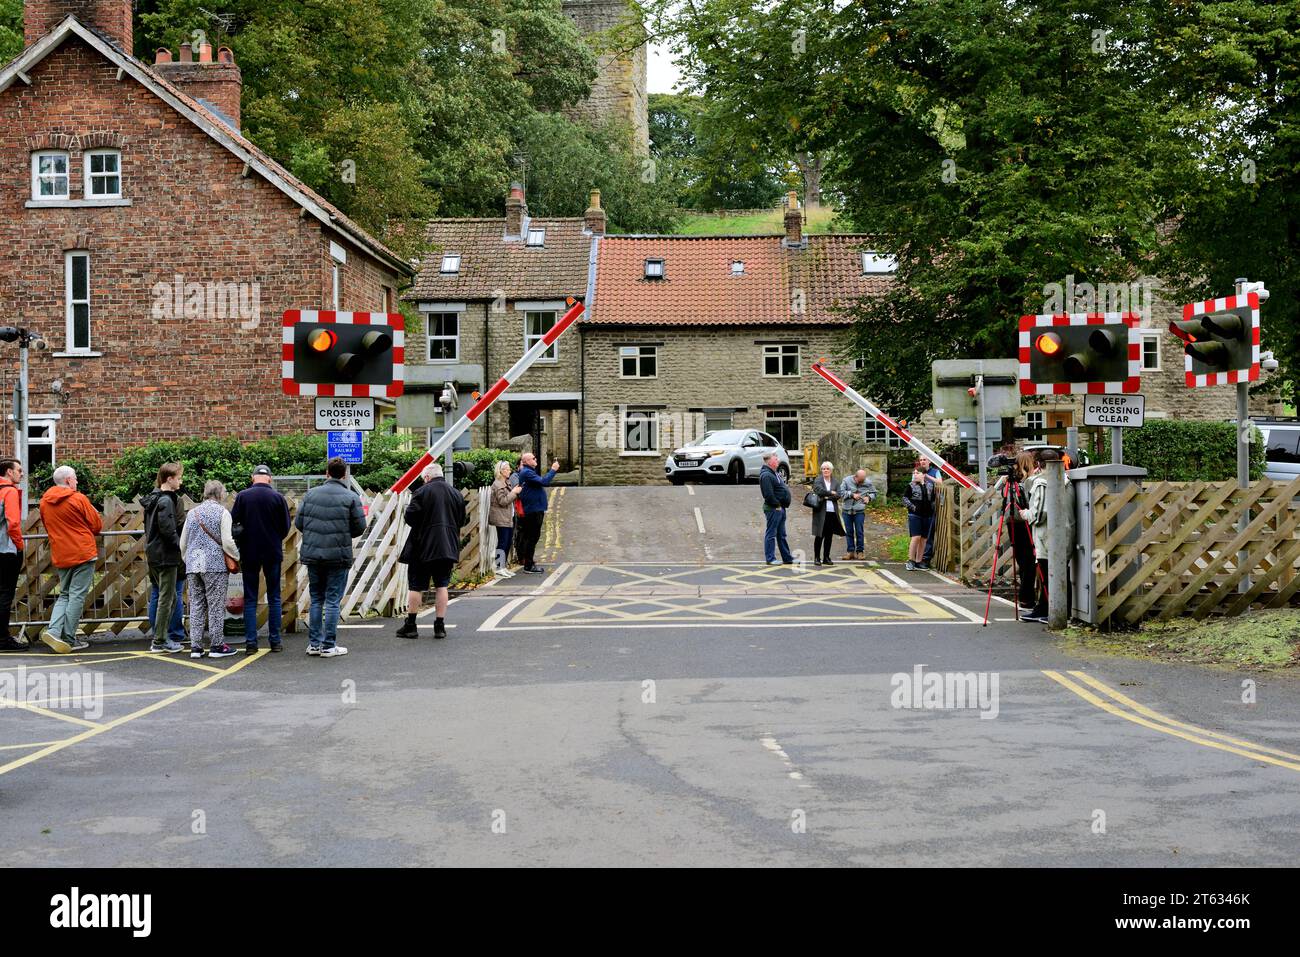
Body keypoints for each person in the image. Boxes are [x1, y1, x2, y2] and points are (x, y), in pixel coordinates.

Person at [295, 457, 366, 657]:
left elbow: (299, 523)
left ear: (327, 473)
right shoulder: (350, 497)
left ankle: (314, 644)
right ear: (344, 475)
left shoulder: (310, 495)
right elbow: (360, 527)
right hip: (338, 555)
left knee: (316, 599)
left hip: (313, 554)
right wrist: (343, 533)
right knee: (333, 601)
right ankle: (329, 645)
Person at [396, 463, 467, 641]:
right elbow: (462, 520)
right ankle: (440, 626)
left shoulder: (421, 492)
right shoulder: (455, 493)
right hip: (446, 546)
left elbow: (410, 518)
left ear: (427, 477)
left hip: (422, 546)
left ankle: (411, 625)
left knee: (416, 585)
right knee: (442, 585)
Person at [39, 466, 103, 654]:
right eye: (75, 479)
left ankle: (53, 631)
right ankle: (68, 638)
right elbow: (96, 526)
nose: (77, 482)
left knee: (64, 594)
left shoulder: (44, 502)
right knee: (76, 596)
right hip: (83, 552)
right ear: (68, 480)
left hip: (61, 553)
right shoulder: (78, 498)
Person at [231, 465, 292, 654]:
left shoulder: (243, 496)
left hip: (249, 552)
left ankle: (251, 643)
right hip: (272, 551)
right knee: (274, 596)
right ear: (270, 479)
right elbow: (286, 527)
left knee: (250, 598)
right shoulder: (278, 498)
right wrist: (274, 538)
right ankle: (275, 641)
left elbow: (233, 522)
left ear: (253, 478)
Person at [180, 480, 240, 659]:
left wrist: (187, 559)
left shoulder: (192, 513)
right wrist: (236, 557)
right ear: (220, 494)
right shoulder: (222, 512)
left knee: (197, 605)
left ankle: (196, 647)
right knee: (215, 605)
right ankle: (216, 645)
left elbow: (183, 542)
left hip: (193, 563)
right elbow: (228, 541)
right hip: (214, 564)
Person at [1019, 452, 1076, 624]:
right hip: (1066, 531)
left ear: (1039, 463)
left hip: (1047, 535)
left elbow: (1039, 513)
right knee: (1059, 572)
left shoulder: (1042, 483)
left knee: (1046, 573)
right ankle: (1047, 609)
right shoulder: (1066, 482)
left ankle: (1050, 610)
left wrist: (1025, 514)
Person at [141, 462, 186, 653]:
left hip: (154, 553)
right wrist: (181, 547)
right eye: (179, 477)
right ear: (170, 479)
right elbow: (168, 530)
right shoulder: (166, 501)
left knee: (164, 597)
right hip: (166, 555)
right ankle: (160, 641)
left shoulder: (153, 498)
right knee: (167, 599)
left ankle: (160, 637)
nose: (181, 481)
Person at [993, 451, 1038, 613]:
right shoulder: (1027, 482)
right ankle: (1027, 598)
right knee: (1029, 561)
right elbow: (1028, 503)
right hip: (1023, 522)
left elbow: (1000, 494)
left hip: (1011, 522)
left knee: (1022, 560)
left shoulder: (1009, 482)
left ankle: (1026, 597)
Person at [515, 451, 559, 574]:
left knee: (533, 536)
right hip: (533, 510)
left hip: (535, 509)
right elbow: (544, 482)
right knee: (532, 537)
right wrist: (553, 470)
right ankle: (528, 565)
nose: (536, 459)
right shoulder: (527, 472)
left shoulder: (528, 472)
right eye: (533, 458)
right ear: (526, 461)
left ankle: (529, 562)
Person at [0, 458, 26, 650]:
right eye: (19, 470)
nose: (21, 473)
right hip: (6, 550)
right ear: (9, 472)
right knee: (5, 593)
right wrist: (19, 546)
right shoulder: (8, 492)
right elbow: (13, 523)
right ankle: (3, 638)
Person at [759, 452, 794, 565]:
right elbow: (768, 495)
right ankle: (770, 558)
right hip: (773, 509)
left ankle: (787, 558)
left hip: (780, 508)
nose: (778, 461)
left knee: (782, 535)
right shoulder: (766, 475)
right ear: (769, 461)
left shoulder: (774, 473)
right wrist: (777, 505)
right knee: (771, 534)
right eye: (775, 459)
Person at [488, 460, 521, 578]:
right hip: (501, 517)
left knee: (507, 542)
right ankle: (498, 567)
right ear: (501, 471)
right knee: (502, 542)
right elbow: (503, 501)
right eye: (507, 469)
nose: (509, 471)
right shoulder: (497, 485)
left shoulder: (506, 482)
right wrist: (514, 492)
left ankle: (503, 566)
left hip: (508, 517)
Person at [809, 460, 844, 565]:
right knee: (819, 535)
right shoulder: (818, 480)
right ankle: (816, 558)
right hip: (821, 512)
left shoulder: (835, 481)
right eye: (823, 469)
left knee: (829, 536)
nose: (825, 470)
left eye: (827, 468)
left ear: (831, 470)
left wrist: (826, 496)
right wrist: (831, 493)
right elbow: (818, 491)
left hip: (832, 512)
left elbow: (839, 494)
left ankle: (826, 557)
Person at [902, 462, 935, 571]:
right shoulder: (910, 485)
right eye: (914, 473)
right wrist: (913, 507)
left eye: (917, 473)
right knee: (916, 537)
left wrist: (932, 509)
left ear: (923, 475)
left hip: (927, 515)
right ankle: (910, 560)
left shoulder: (930, 486)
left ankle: (918, 561)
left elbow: (932, 499)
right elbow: (904, 499)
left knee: (924, 539)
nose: (915, 475)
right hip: (915, 515)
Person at [838, 468, 877, 560]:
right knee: (849, 532)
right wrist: (851, 495)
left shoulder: (868, 482)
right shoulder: (846, 480)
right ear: (855, 477)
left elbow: (874, 493)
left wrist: (869, 497)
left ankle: (860, 552)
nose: (861, 483)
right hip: (846, 511)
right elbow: (841, 492)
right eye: (860, 481)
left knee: (859, 532)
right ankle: (850, 552)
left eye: (863, 481)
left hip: (859, 511)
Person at [920, 457, 944, 570]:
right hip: (920, 505)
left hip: (932, 504)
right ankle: (916, 558)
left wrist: (927, 477)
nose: (922, 461)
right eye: (920, 460)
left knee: (929, 533)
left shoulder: (935, 472)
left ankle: (926, 559)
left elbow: (940, 482)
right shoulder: (917, 471)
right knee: (918, 533)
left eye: (924, 459)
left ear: (929, 461)